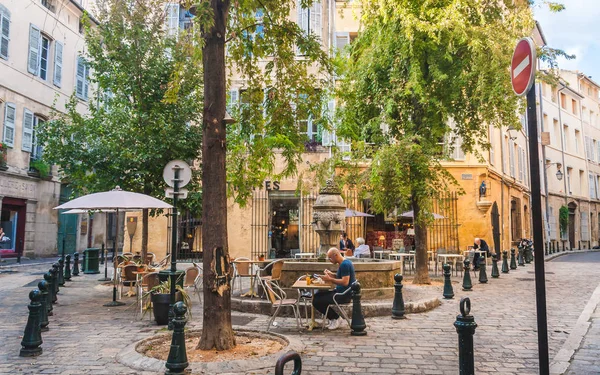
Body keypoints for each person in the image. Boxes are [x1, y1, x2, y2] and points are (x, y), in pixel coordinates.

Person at [313, 247, 356, 330]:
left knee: (316, 301)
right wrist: (331, 274)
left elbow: (345, 282)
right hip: (340, 292)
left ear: (335, 255)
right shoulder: (343, 263)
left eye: (330, 257)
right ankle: (333, 318)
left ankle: (335, 318)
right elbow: (341, 277)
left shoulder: (344, 265)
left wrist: (330, 279)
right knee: (317, 295)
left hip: (343, 295)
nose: (329, 260)